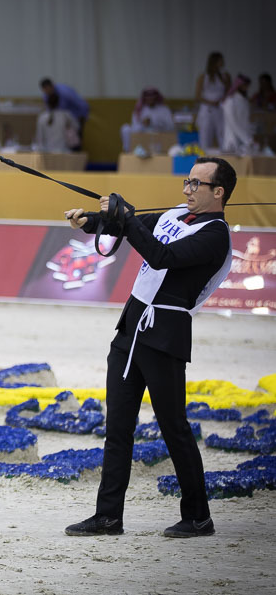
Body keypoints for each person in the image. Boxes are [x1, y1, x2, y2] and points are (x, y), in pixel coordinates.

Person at [63, 157, 236, 539]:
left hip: (165, 335)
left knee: (174, 428)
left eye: (196, 184)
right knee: (117, 428)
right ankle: (108, 516)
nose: (187, 189)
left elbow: (161, 256)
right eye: (187, 181)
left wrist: (126, 218)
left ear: (219, 192)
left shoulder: (215, 235)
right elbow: (135, 225)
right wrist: (93, 220)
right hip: (131, 328)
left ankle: (198, 517)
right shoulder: (176, 215)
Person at [194, 52, 232, 151]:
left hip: (220, 108)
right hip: (207, 109)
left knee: (222, 134)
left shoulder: (225, 76)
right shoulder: (203, 77)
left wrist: (222, 100)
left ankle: (225, 154)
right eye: (220, 60)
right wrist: (210, 102)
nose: (222, 63)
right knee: (205, 135)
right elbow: (197, 96)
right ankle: (204, 154)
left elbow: (229, 92)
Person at [120, 87, 176, 152]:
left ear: (156, 97)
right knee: (125, 128)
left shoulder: (164, 110)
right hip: (142, 136)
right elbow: (135, 128)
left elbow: (171, 127)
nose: (150, 98)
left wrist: (154, 123)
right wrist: (143, 124)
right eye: (147, 96)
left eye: (152, 96)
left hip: (159, 135)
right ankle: (128, 152)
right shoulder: (139, 110)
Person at [40, 77, 89, 148]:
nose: (47, 92)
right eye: (45, 91)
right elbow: (49, 110)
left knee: (74, 141)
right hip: (61, 120)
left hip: (75, 118)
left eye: (48, 89)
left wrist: (81, 120)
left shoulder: (66, 93)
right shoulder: (46, 96)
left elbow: (83, 106)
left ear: (52, 86)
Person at [221, 74, 256, 154]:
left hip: (245, 142)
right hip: (232, 140)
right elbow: (233, 123)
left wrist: (249, 137)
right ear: (239, 85)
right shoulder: (230, 101)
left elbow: (246, 121)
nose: (246, 88)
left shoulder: (245, 101)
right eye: (245, 86)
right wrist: (247, 139)